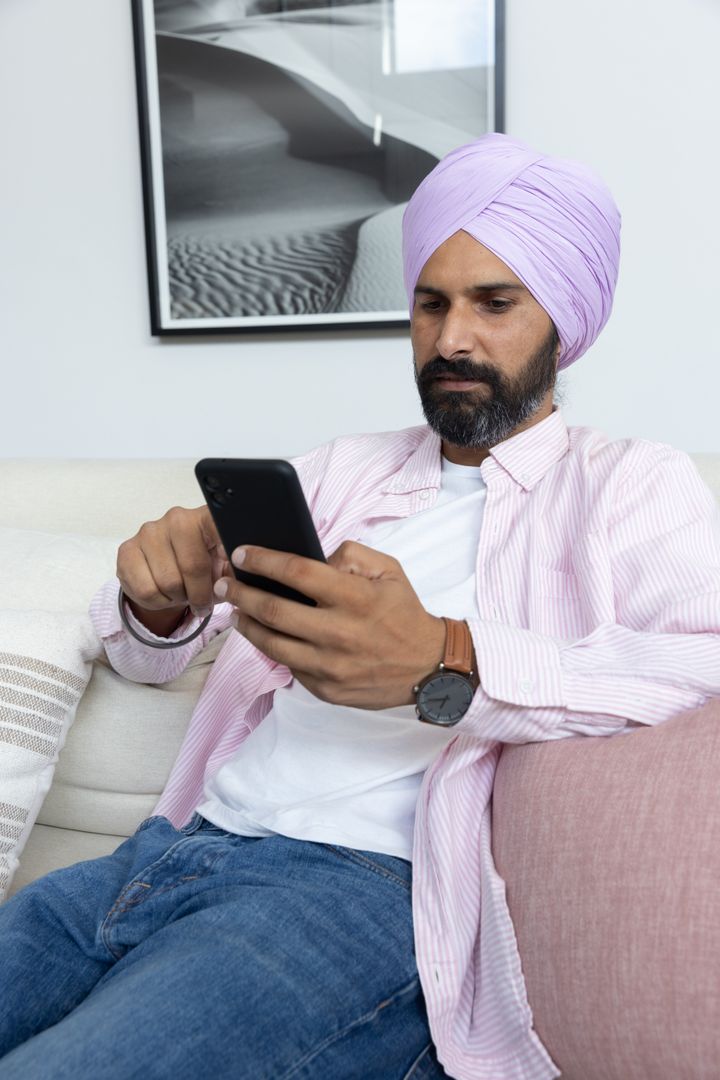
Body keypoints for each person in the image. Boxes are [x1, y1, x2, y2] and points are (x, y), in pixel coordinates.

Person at [1, 133, 719, 1080]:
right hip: (167, 853)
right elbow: (150, 661)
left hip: (355, 896)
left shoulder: (632, 485)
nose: (452, 338)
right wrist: (157, 603)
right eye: (431, 303)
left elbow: (697, 665)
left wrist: (445, 661)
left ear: (564, 318)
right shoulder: (340, 470)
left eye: (495, 303)